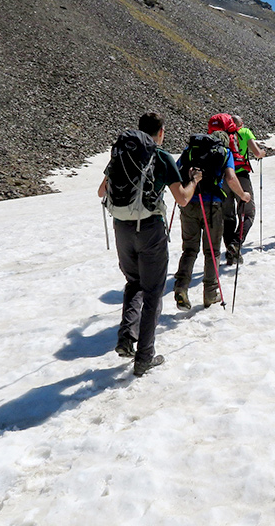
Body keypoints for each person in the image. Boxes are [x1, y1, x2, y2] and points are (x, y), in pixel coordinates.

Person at [98, 112, 202, 377]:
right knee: (153, 290)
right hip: (150, 229)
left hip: (122, 227)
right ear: (161, 132)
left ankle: (125, 337)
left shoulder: (122, 155)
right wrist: (194, 181)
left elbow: (101, 191)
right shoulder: (161, 156)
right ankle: (145, 356)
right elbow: (182, 198)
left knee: (134, 283)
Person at [174, 131, 252, 310]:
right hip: (212, 205)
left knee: (189, 249)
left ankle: (181, 287)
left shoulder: (190, 150)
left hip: (189, 204)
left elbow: (177, 171)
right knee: (213, 251)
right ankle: (210, 293)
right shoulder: (225, 153)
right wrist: (243, 195)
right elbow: (231, 178)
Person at [222, 115, 266, 265]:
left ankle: (230, 250)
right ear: (240, 123)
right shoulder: (245, 132)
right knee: (248, 213)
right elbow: (257, 152)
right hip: (240, 175)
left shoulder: (221, 135)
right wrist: (262, 153)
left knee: (227, 216)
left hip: (222, 178)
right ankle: (235, 243)